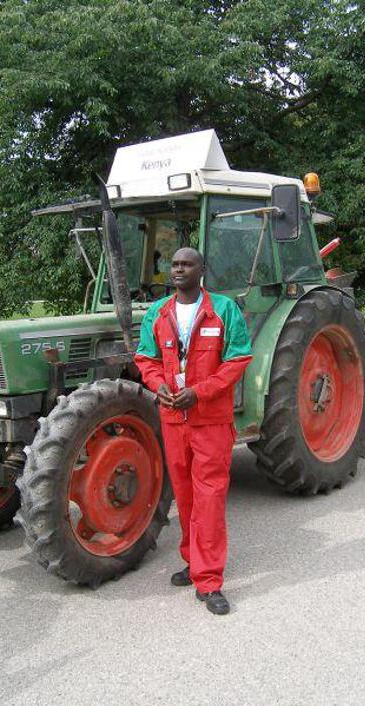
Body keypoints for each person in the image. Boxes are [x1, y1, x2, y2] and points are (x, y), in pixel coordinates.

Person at [134, 247, 252, 616]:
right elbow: (146, 358)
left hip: (210, 421)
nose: (179, 269)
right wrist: (158, 386)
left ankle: (209, 579)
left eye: (187, 264)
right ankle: (193, 560)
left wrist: (199, 393)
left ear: (202, 270)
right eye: (175, 264)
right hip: (173, 421)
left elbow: (238, 359)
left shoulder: (224, 310)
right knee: (184, 496)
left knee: (209, 498)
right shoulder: (158, 313)